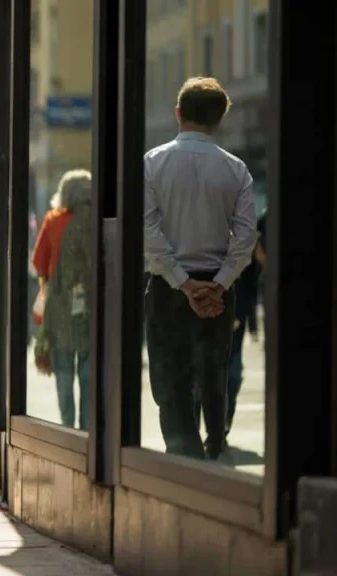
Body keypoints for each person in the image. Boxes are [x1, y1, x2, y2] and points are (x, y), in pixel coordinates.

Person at [144, 77, 257, 460]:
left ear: (178, 114)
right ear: (220, 119)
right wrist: (220, 283)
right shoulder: (236, 169)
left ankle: (184, 458)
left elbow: (147, 229)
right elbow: (245, 236)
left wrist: (181, 281)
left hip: (168, 287)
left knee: (170, 380)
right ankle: (215, 443)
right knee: (213, 371)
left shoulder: (154, 162)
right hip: (217, 288)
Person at [32, 170, 93, 430]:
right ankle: (87, 424)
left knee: (64, 364)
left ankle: (67, 424)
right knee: (89, 364)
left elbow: (38, 262)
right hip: (92, 301)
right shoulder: (96, 221)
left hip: (59, 300)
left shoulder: (54, 220)